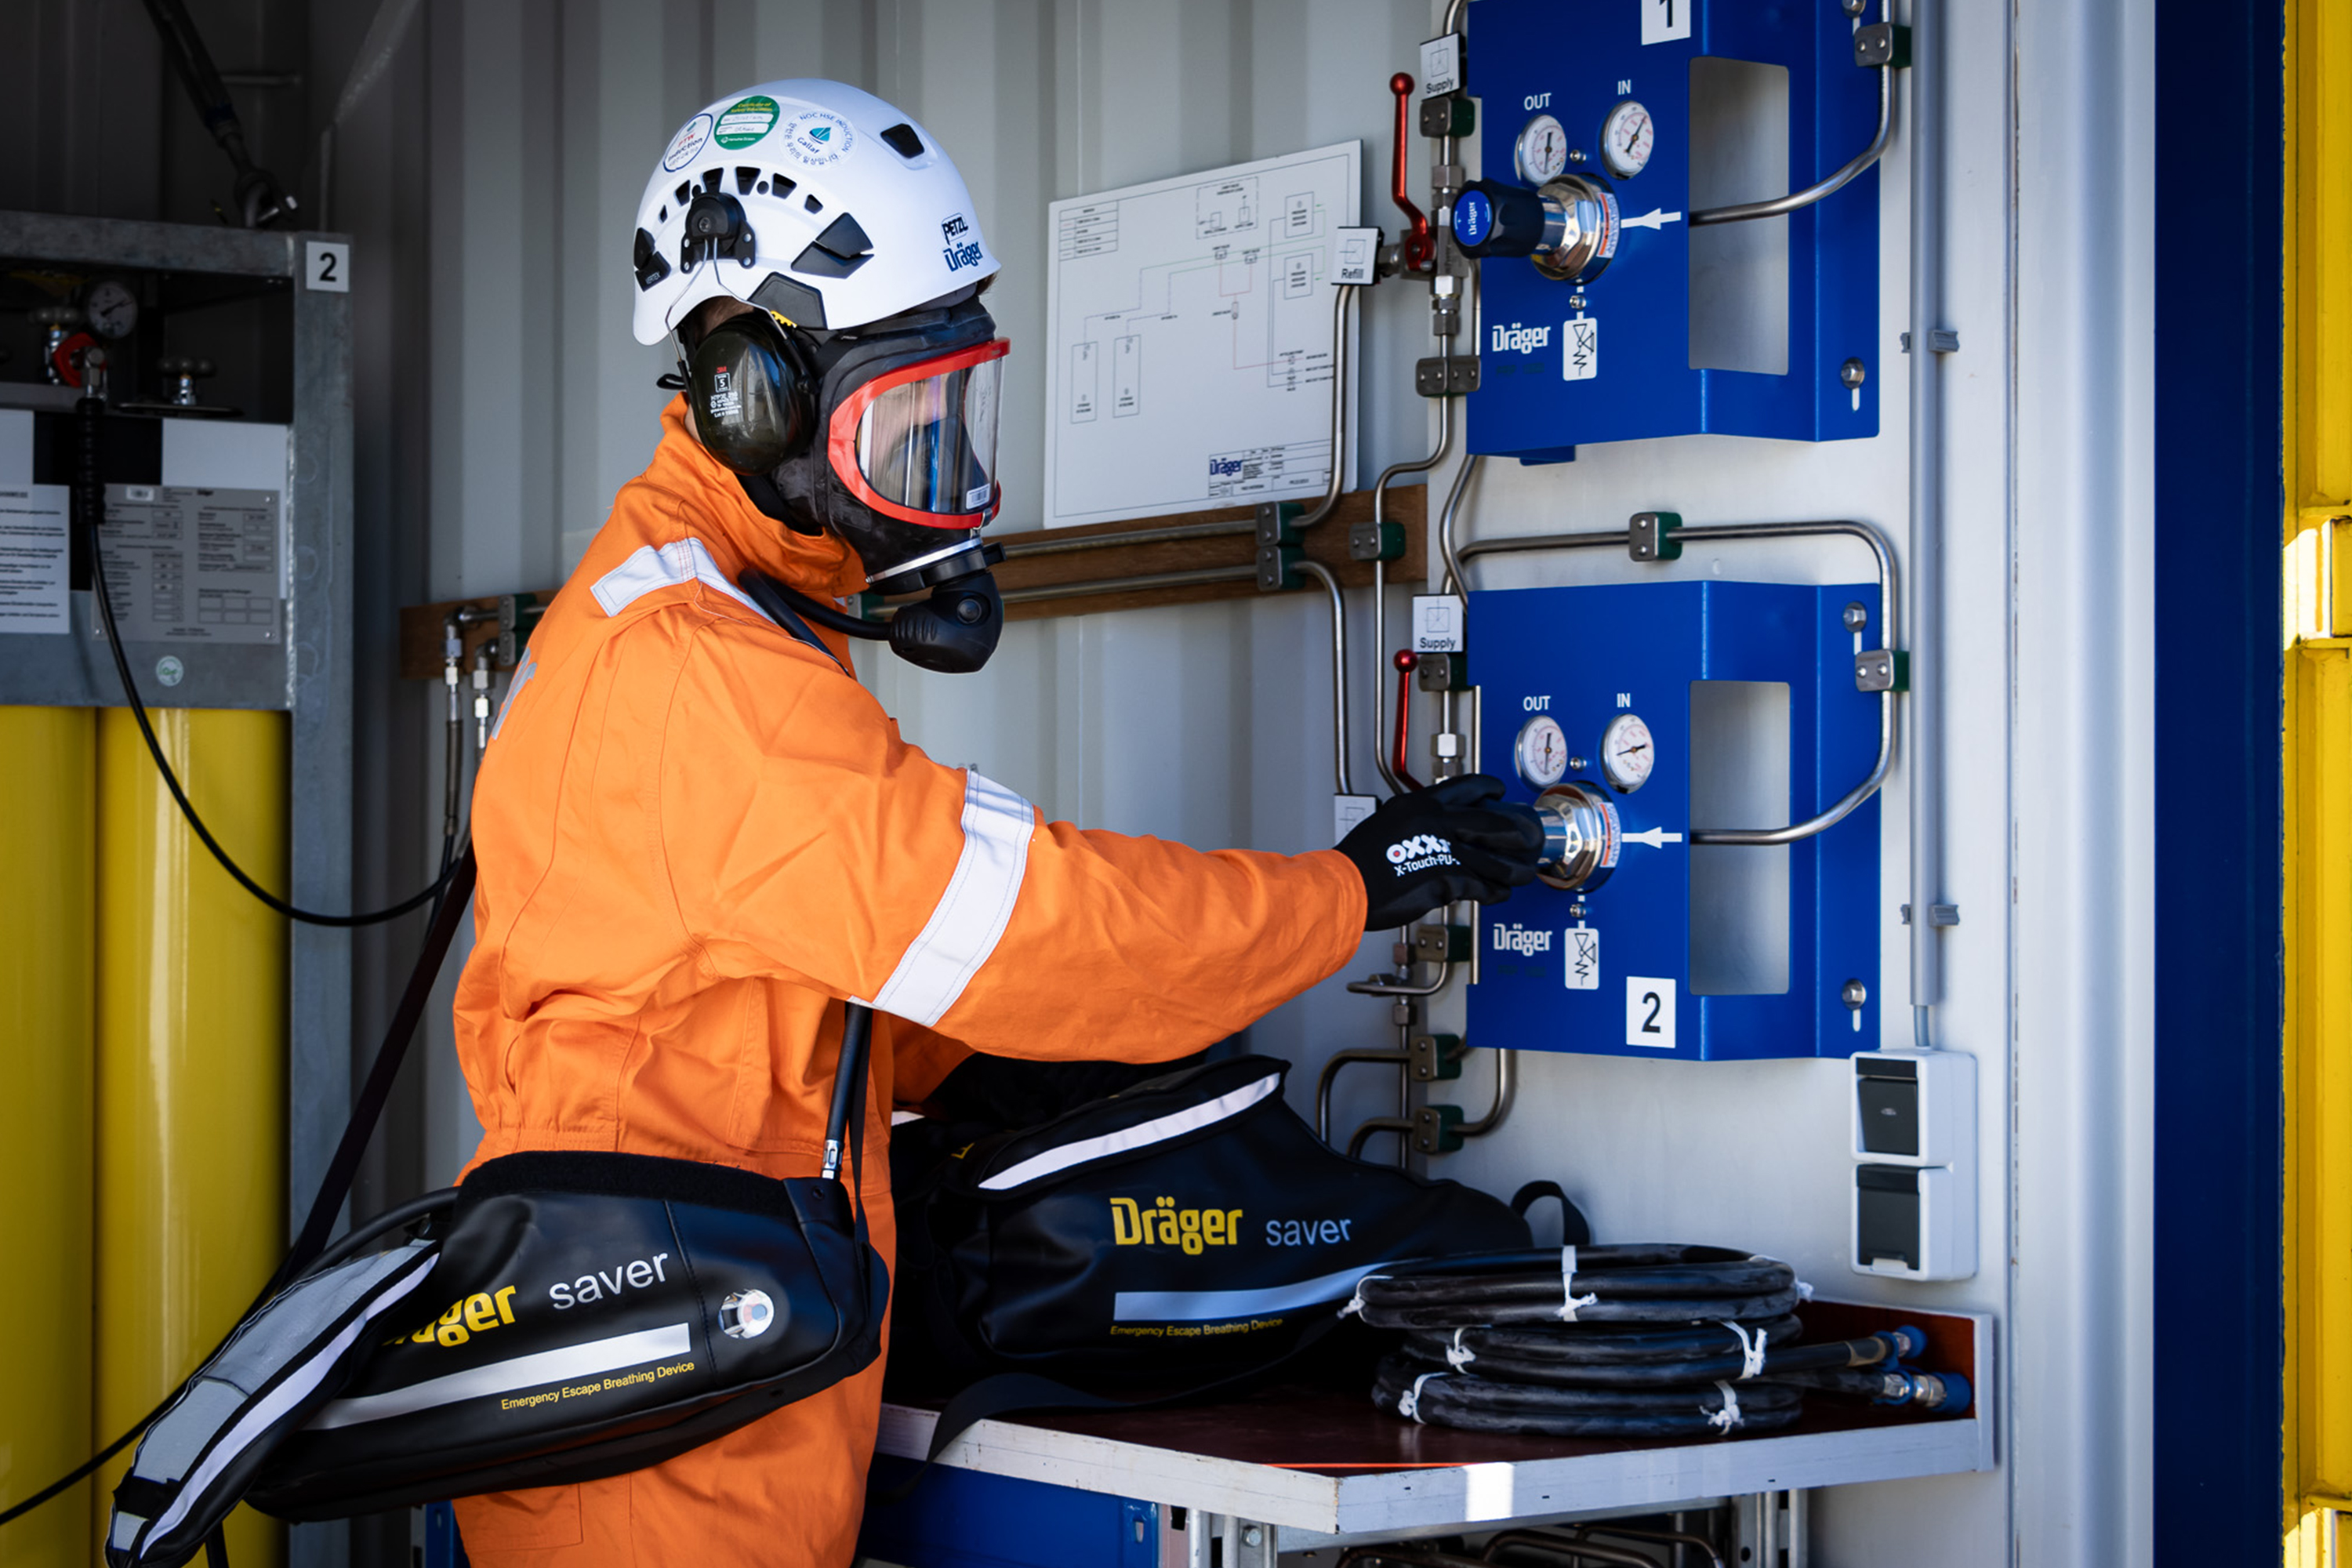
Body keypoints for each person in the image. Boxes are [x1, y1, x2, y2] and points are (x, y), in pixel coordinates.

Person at [448, 78, 1542, 1568]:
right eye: (905, 427)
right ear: (753, 401)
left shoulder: (714, 627)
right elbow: (1023, 927)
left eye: (956, 417)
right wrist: (1341, 894)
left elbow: (779, 1014)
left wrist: (1035, 1071)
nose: (943, 484)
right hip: (660, 1448)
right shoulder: (698, 676)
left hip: (689, 1377)